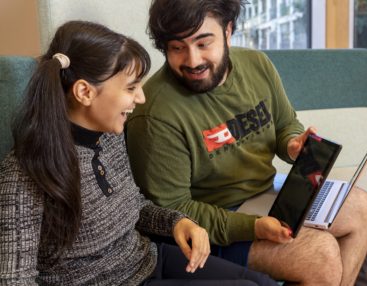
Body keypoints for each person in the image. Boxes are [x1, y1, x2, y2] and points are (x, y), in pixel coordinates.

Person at [0, 20, 277, 286]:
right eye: (131, 87)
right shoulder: (25, 174)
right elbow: (13, 279)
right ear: (85, 92)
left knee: (261, 282)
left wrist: (177, 222)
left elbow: (133, 206)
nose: (141, 98)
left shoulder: (109, 137)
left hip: (146, 260)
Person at [126, 0, 367, 285]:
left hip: (268, 194)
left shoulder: (256, 64)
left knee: (361, 207)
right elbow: (174, 211)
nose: (193, 61)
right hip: (216, 223)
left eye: (203, 43)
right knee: (320, 255)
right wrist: (254, 228)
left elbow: (285, 124)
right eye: (177, 48)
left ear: (228, 31)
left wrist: (293, 144)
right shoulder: (156, 113)